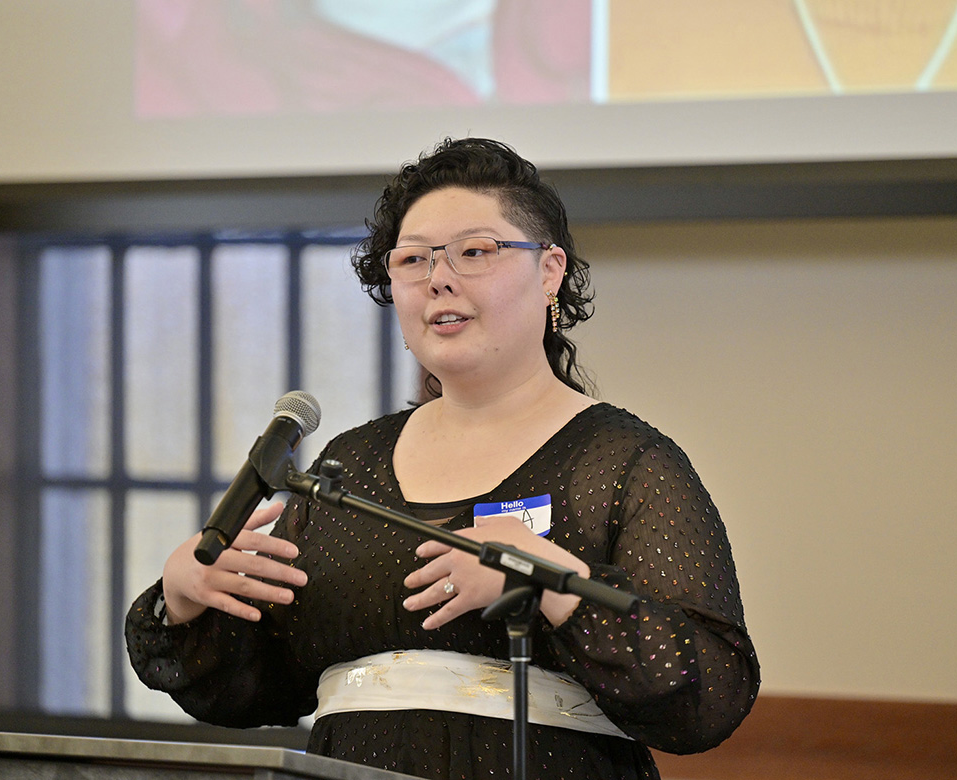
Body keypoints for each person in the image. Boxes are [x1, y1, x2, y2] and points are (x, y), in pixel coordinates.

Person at [126, 137, 759, 780]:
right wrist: (185, 600)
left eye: (475, 252)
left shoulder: (625, 463)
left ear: (550, 272)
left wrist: (558, 588)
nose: (439, 278)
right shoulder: (353, 463)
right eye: (413, 260)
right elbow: (257, 685)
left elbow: (711, 696)